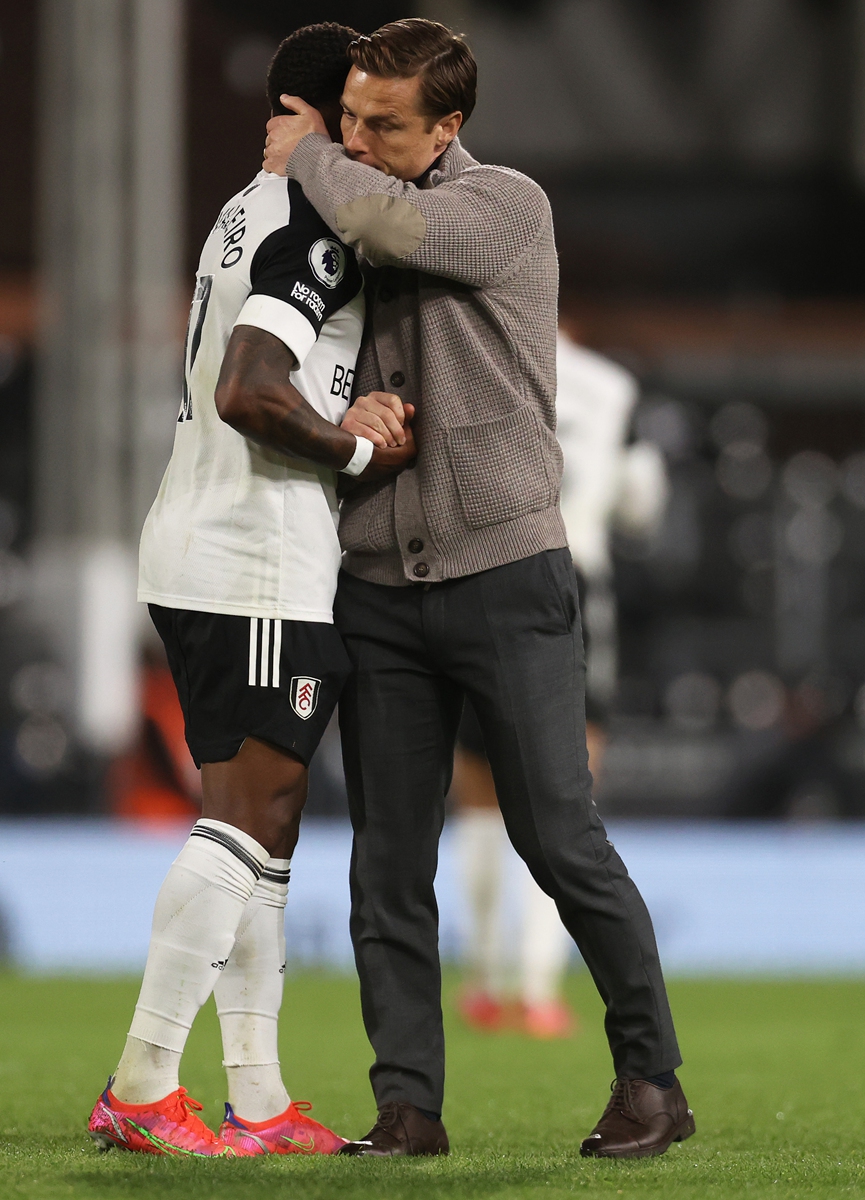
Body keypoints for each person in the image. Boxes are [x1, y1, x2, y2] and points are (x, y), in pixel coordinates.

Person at [262, 17, 693, 1160]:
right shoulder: (352, 192)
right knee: (388, 865)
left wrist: (303, 149)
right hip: (379, 586)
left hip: (506, 571)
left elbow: (378, 218)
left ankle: (651, 1081)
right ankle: (407, 1109)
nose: (355, 138)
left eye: (379, 124)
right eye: (345, 114)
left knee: (558, 839)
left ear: (447, 128)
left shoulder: (503, 202)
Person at [88, 23, 415, 1160]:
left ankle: (260, 1101)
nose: (378, 143)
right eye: (364, 117)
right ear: (329, 117)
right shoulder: (313, 218)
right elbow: (250, 388)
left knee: (264, 835)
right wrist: (361, 452)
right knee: (246, 822)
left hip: (198, 541)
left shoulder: (246, 205)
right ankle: (140, 1085)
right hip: (256, 554)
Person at [452, 329, 669, 1040]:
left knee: (480, 798)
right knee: (566, 796)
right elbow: (642, 501)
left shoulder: (473, 359)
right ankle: (540, 992)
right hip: (571, 584)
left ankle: (482, 983)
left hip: (481, 577)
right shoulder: (611, 385)